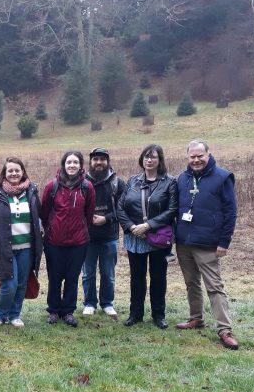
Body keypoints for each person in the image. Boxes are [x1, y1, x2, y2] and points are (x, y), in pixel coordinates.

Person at [174, 139, 239, 350]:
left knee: (214, 286)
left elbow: (231, 212)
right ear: (187, 157)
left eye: (200, 156)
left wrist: (224, 242)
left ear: (208, 155)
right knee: (191, 283)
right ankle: (196, 318)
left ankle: (224, 329)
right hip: (184, 242)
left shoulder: (222, 177)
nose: (196, 160)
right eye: (192, 156)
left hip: (209, 243)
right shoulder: (182, 179)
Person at [116, 144, 178, 329]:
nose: (149, 160)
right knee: (137, 277)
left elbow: (172, 209)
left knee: (158, 277)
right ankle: (135, 314)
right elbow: (120, 207)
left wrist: (148, 225)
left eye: (153, 157)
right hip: (135, 237)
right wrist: (131, 226)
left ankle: (159, 315)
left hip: (158, 238)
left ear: (160, 160)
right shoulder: (132, 181)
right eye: (146, 157)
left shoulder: (169, 182)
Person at [0, 156, 42, 328]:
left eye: (17, 170)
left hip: (27, 248)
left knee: (22, 282)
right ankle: (0, 315)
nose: (14, 173)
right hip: (4, 249)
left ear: (22, 172)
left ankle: (15, 315)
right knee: (10, 283)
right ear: (5, 173)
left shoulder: (31, 191)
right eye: (10, 170)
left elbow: (39, 214)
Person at [39, 150, 96, 327]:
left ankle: (69, 311)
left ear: (81, 166)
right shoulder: (52, 186)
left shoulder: (87, 187)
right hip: (54, 242)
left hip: (78, 243)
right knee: (54, 277)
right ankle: (54, 310)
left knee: (72, 277)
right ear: (63, 164)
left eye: (75, 162)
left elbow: (89, 214)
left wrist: (80, 231)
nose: (72, 165)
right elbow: (44, 212)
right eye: (69, 162)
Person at [81, 147, 125, 321]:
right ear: (90, 162)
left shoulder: (118, 183)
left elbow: (124, 209)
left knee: (108, 273)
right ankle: (89, 303)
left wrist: (105, 218)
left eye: (102, 159)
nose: (99, 162)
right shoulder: (82, 182)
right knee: (88, 273)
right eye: (95, 159)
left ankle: (107, 303)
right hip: (87, 237)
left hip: (109, 237)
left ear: (108, 162)